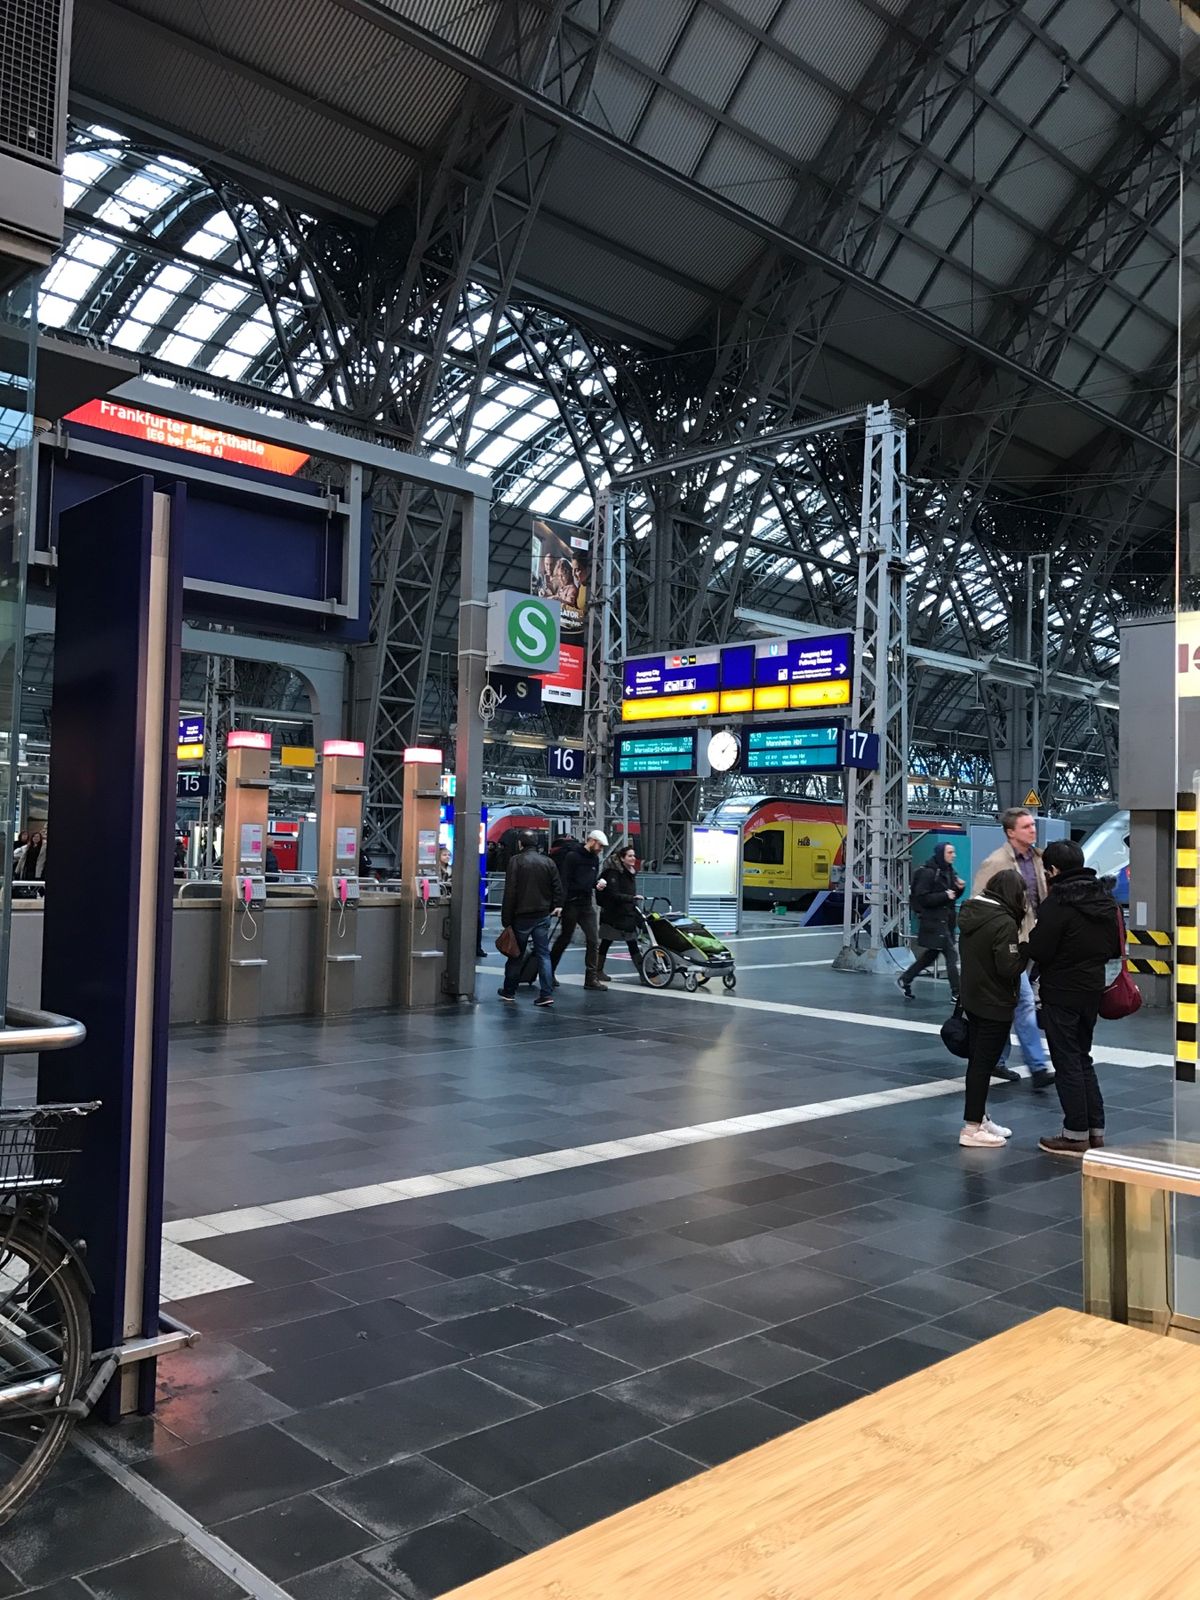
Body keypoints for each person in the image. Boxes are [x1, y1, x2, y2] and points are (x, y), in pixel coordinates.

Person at [1027, 839, 1123, 1158]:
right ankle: (1095, 1131)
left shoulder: (1058, 903)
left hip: (1061, 991)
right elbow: (1112, 948)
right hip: (1092, 990)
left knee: (1066, 1060)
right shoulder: (1104, 899)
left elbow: (1040, 950)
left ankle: (1074, 1135)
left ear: (1054, 870)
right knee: (1083, 1057)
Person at [972, 807, 1054, 1090]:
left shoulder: (1040, 859)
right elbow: (979, 904)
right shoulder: (995, 863)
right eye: (1026, 826)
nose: (1033, 830)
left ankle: (998, 1058)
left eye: (1033, 825)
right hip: (1010, 943)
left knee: (1009, 1002)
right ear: (1010, 832)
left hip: (1036, 942)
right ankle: (1038, 1065)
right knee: (1024, 1001)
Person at [957, 868, 1029, 1148]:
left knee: (977, 1062)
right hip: (994, 1002)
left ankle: (980, 1116)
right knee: (982, 1065)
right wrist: (1024, 951)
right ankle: (972, 1128)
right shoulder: (1003, 923)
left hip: (973, 999)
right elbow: (1008, 967)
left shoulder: (972, 913)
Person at [497, 832, 561, 1007]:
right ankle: (546, 993)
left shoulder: (516, 861)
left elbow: (510, 892)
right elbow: (557, 887)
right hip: (542, 914)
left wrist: (506, 918)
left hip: (522, 915)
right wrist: (555, 905)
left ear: (520, 844)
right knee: (543, 955)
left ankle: (509, 990)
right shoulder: (548, 862)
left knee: (515, 954)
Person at [897, 842, 964, 1000]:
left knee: (931, 955)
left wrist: (959, 889)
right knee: (951, 955)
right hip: (934, 922)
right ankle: (957, 992)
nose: (953, 855)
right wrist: (944, 896)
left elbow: (951, 897)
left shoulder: (948, 871)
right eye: (950, 852)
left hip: (944, 921)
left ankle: (905, 979)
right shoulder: (929, 873)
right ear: (941, 854)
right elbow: (923, 898)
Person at [551, 828, 608, 990]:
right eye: (600, 845)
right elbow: (565, 881)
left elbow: (586, 880)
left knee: (592, 939)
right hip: (571, 903)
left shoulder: (593, 859)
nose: (600, 849)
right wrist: (560, 904)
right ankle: (549, 971)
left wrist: (596, 884)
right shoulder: (572, 856)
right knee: (566, 937)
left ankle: (591, 978)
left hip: (584, 903)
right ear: (592, 841)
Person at [597, 844, 642, 981]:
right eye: (630, 855)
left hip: (626, 913)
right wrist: (632, 898)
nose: (633, 858)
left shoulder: (630, 873)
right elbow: (613, 894)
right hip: (614, 915)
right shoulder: (614, 873)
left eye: (634, 855)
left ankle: (644, 974)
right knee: (609, 941)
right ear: (622, 858)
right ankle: (644, 974)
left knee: (629, 941)